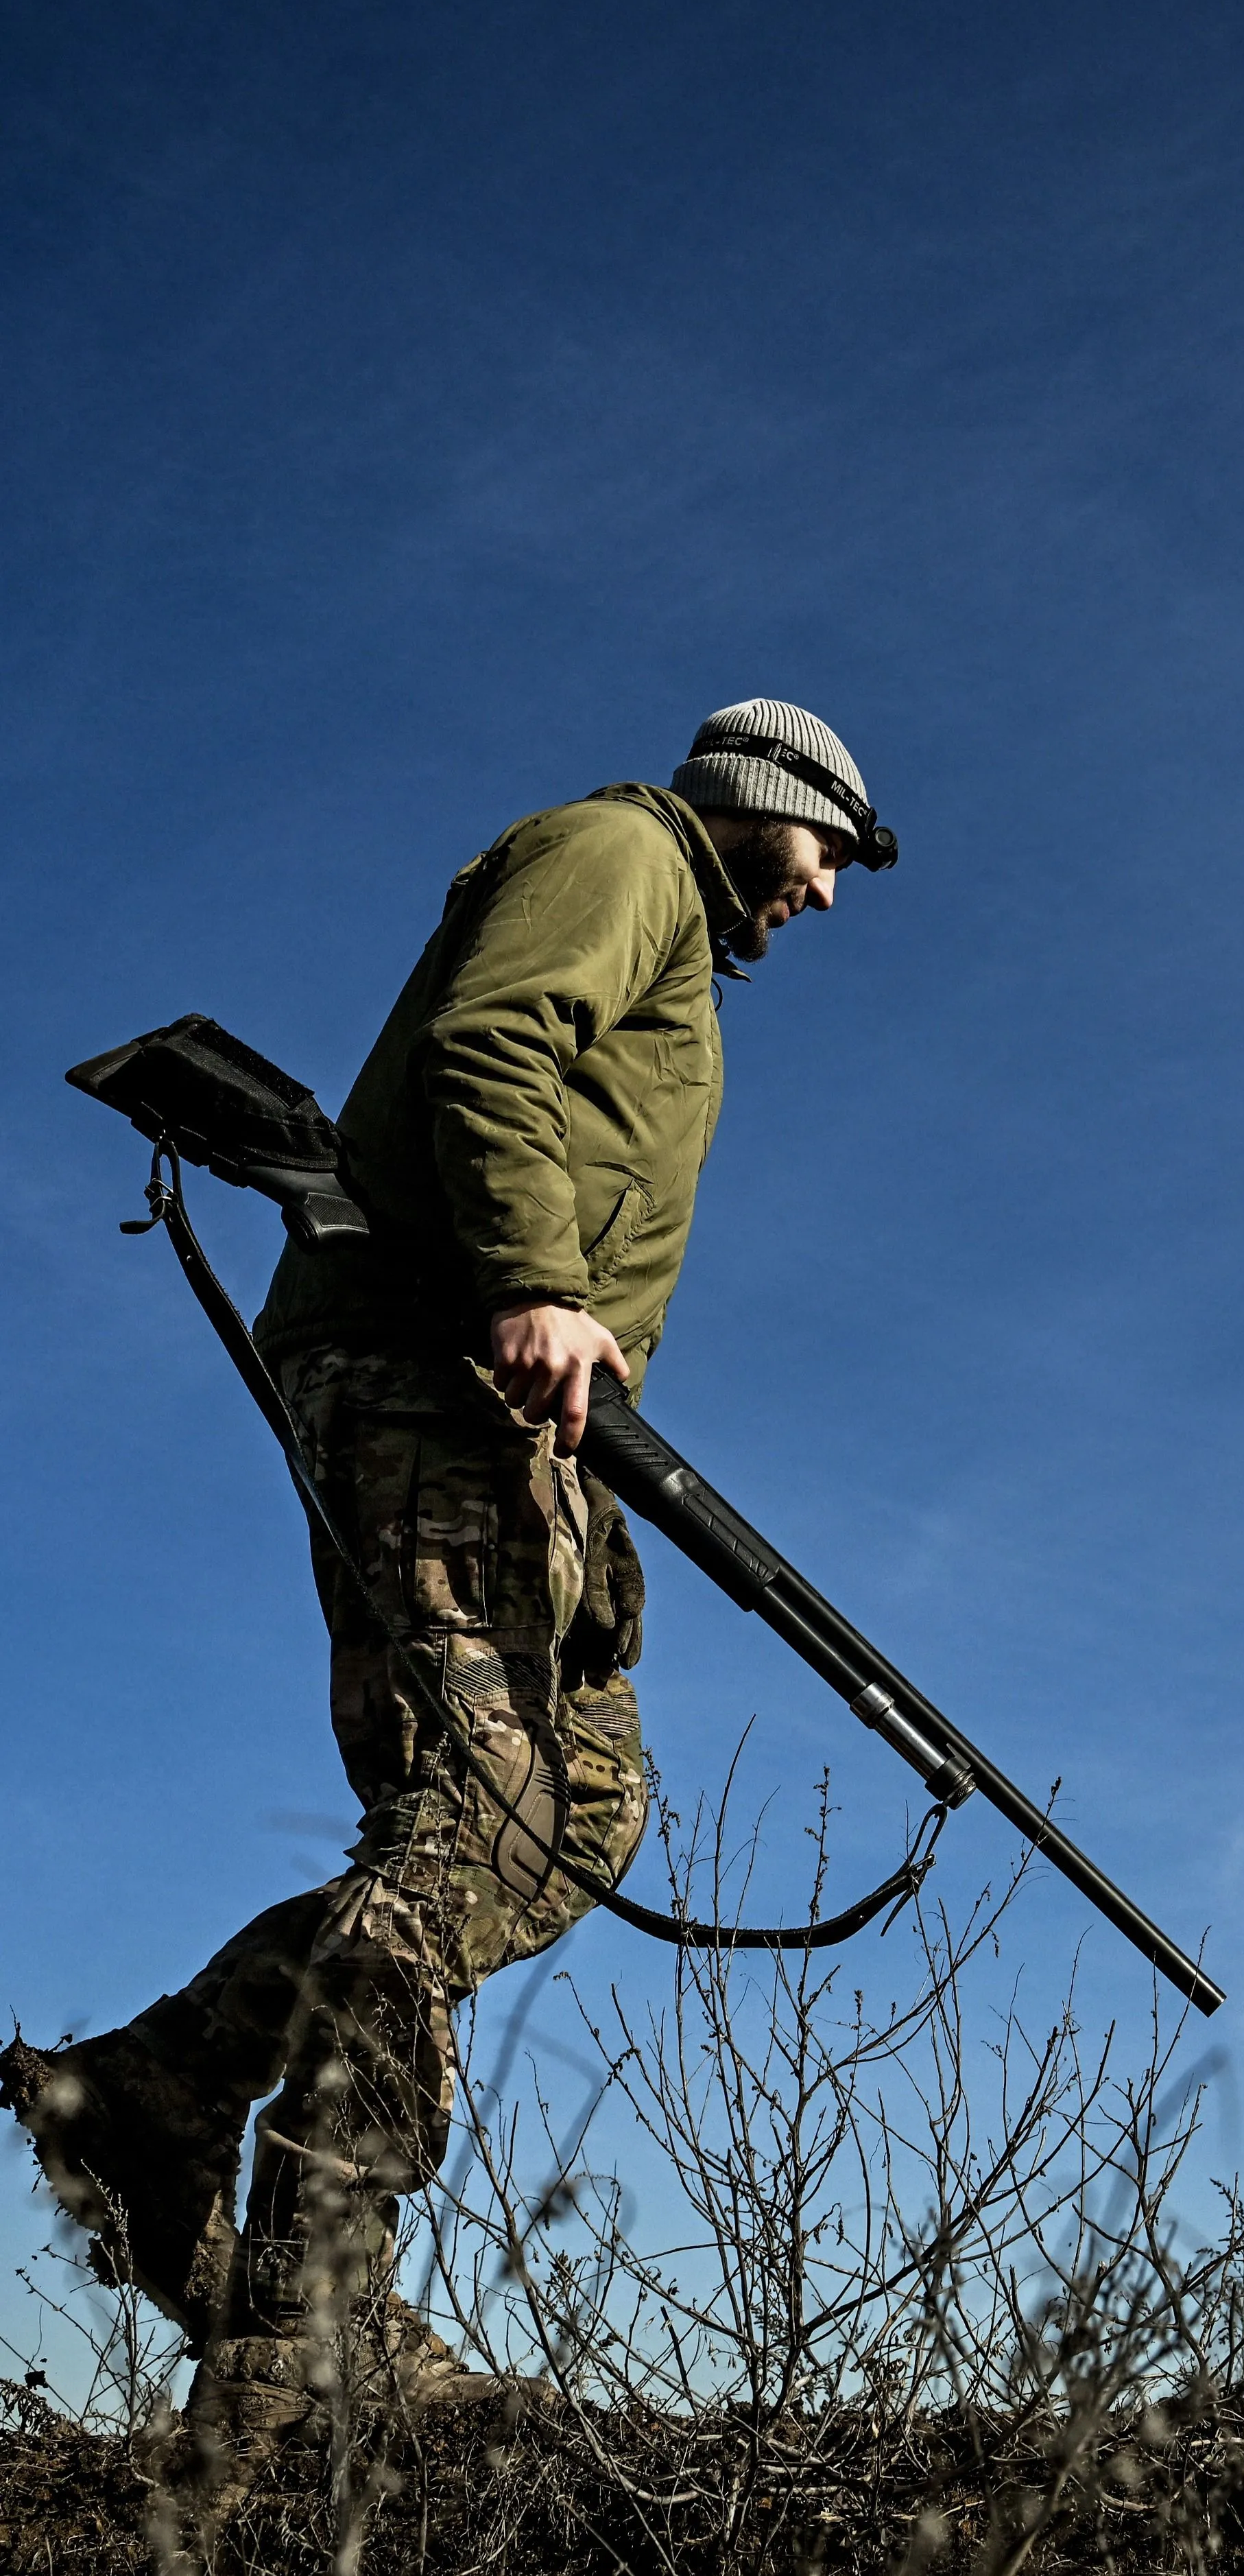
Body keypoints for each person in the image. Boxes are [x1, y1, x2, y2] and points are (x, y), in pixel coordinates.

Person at [1, 698, 896, 2474]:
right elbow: (495, 1040)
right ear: (767, 799)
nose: (831, 893)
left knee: (580, 1802)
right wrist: (534, 1284)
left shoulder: (680, 954)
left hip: (517, 1413)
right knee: (483, 1813)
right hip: (437, 1369)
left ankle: (155, 2092)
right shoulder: (623, 851)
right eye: (832, 849)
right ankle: (306, 2321)